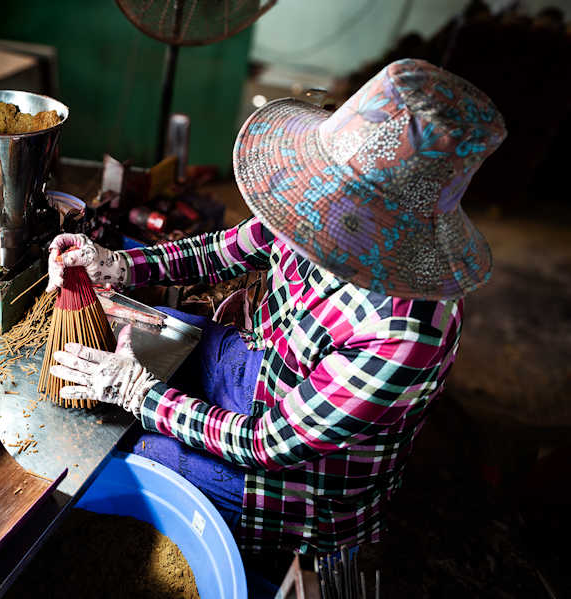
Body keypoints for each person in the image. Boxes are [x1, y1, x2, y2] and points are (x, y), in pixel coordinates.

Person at [47, 59, 506, 557]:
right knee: (172, 341)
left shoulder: (408, 331)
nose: (305, 221)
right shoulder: (312, 201)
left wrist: (139, 393)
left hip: (298, 487)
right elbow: (225, 249)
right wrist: (116, 265)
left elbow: (267, 445)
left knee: (121, 458)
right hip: (266, 369)